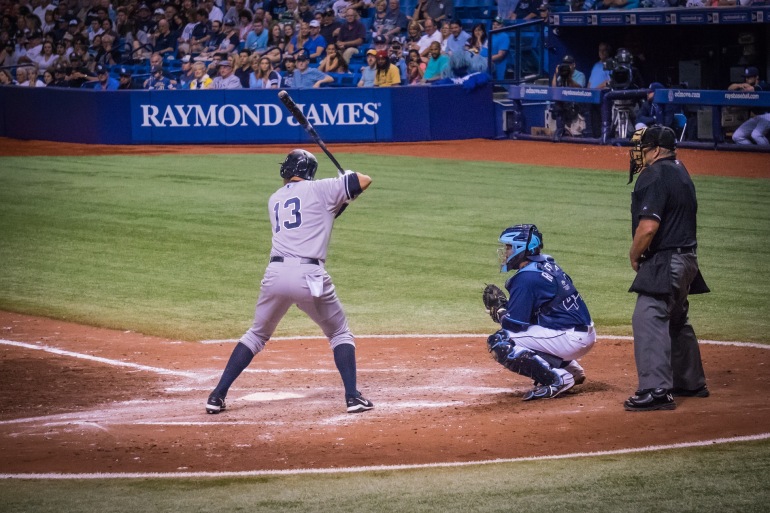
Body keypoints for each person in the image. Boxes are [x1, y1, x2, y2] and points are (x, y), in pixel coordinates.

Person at [205, 150, 374, 415]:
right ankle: (353, 397)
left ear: (286, 171)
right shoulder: (321, 189)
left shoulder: (274, 199)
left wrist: (344, 193)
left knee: (257, 334)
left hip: (275, 274)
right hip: (309, 276)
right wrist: (348, 179)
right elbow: (364, 180)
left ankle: (217, 395)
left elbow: (322, 215)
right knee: (339, 333)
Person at [624, 124, 711, 412]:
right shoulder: (680, 170)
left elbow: (648, 227)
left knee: (647, 316)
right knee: (676, 319)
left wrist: (635, 254)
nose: (640, 155)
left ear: (657, 150)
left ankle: (656, 391)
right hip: (688, 260)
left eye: (644, 149)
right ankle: (689, 381)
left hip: (667, 260)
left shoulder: (654, 174)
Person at [484, 224, 595, 402]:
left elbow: (516, 324)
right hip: (580, 332)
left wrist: (500, 312)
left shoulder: (526, 278)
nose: (505, 252)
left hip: (569, 339)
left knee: (500, 341)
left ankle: (557, 379)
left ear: (520, 248)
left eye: (509, 247)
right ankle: (570, 370)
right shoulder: (546, 264)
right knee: (527, 334)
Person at [729, 67, 770, 146]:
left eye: (749, 77)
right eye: (746, 77)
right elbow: (730, 88)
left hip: (768, 115)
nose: (747, 79)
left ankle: (766, 155)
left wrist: (743, 87)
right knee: (737, 136)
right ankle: (753, 153)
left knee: (756, 135)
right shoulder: (746, 85)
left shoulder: (763, 85)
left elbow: (751, 89)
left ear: (756, 77)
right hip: (758, 117)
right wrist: (740, 85)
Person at [550, 54, 586, 141]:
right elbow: (554, 88)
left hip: (576, 106)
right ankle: (559, 131)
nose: (567, 66)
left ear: (574, 65)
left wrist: (569, 79)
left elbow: (579, 87)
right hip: (564, 105)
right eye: (565, 64)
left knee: (576, 136)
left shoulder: (580, 75)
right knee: (557, 105)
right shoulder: (561, 75)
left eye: (569, 64)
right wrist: (556, 74)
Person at [489, 16, 509, 81]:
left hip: (497, 64)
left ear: (502, 26)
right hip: (487, 62)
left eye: (498, 25)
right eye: (493, 24)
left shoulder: (504, 36)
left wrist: (485, 60)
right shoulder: (490, 35)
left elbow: (501, 55)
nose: (495, 26)